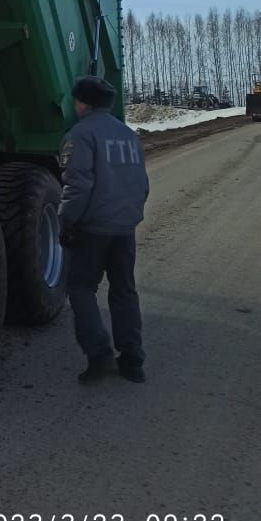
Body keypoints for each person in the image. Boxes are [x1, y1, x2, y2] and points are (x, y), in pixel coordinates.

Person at [58, 76, 149, 385]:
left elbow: (77, 186)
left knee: (81, 287)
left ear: (83, 102)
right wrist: (131, 216)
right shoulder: (129, 135)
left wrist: (67, 221)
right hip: (125, 227)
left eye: (76, 100)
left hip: (94, 228)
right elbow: (142, 184)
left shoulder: (80, 134)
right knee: (124, 290)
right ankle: (133, 361)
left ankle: (99, 353)